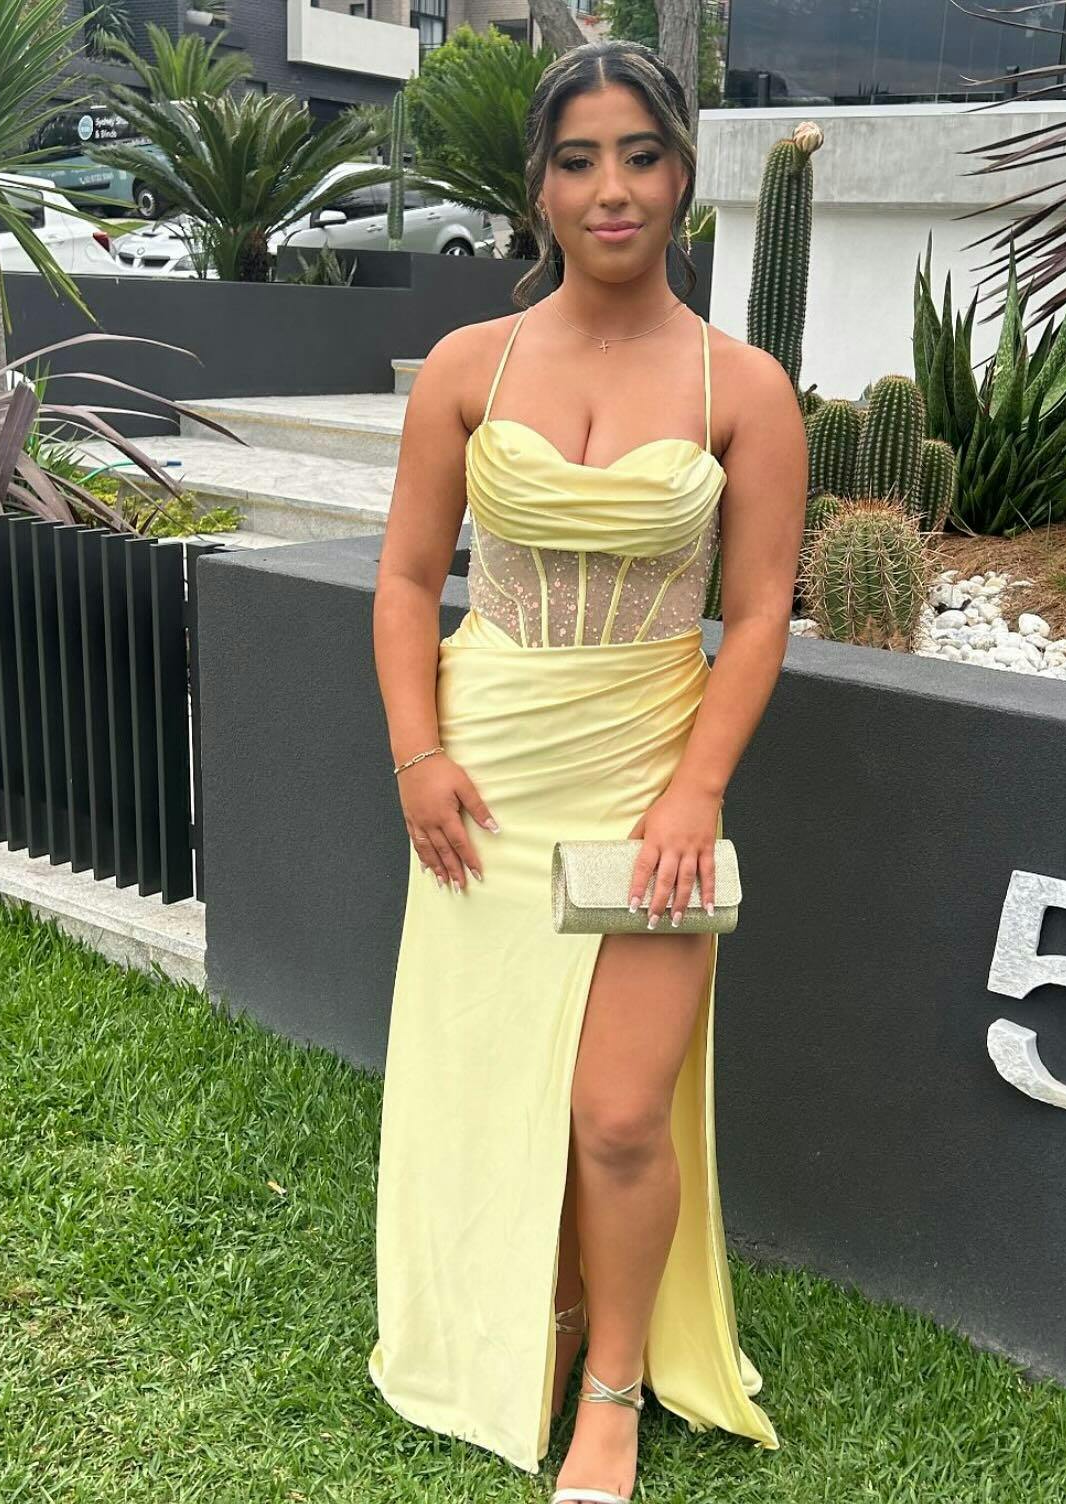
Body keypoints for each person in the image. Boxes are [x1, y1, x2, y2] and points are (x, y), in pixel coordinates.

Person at [368, 36, 807, 1504]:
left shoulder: (745, 385)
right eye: (577, 161)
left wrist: (697, 788)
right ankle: (532, 1317)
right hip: (485, 773)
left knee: (619, 1110)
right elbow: (405, 581)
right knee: (493, 1077)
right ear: (540, 188)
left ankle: (611, 1391)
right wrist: (417, 752)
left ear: (681, 177)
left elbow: (759, 614)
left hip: (648, 776)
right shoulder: (467, 366)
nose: (610, 188)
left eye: (639, 156)